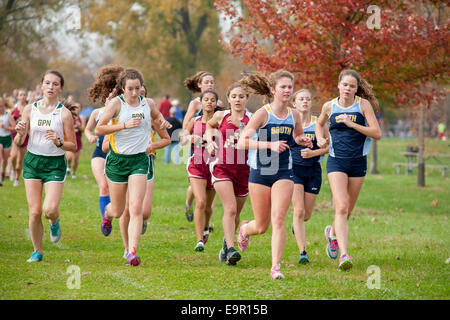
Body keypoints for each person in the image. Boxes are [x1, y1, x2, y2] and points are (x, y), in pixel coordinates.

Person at [236, 70, 312, 279]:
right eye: (283, 87)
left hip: (284, 172)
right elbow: (243, 142)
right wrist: (269, 144)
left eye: (290, 87)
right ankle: (244, 230)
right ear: (273, 90)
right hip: (260, 173)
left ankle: (275, 268)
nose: (287, 91)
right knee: (261, 226)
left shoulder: (294, 114)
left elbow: (296, 135)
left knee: (278, 219)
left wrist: (302, 140)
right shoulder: (263, 113)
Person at [92, 65, 170, 266]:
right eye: (130, 89)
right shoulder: (116, 105)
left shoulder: (148, 104)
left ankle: (132, 252)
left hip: (139, 161)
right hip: (117, 162)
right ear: (122, 88)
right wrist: (123, 125)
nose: (135, 93)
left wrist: (163, 124)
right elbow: (99, 129)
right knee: (118, 210)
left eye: (138, 88)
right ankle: (107, 215)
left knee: (135, 208)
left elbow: (160, 124)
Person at [315, 69, 381, 271]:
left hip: (358, 162)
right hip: (336, 162)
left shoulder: (363, 105)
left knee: (348, 210)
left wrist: (352, 124)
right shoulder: (329, 106)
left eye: (352, 86)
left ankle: (332, 233)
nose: (348, 89)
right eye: (345, 85)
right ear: (339, 85)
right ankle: (344, 254)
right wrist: (319, 138)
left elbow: (376, 133)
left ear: (356, 88)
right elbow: (319, 124)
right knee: (341, 207)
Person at [14, 70, 77, 262]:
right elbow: (18, 142)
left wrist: (58, 142)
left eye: (55, 84)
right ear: (41, 86)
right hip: (33, 161)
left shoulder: (64, 114)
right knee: (34, 211)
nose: (51, 87)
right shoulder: (29, 109)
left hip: (54, 163)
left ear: (61, 88)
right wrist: (20, 133)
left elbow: (72, 146)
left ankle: (54, 223)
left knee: (49, 209)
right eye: (47, 83)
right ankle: (37, 251)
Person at [206, 82, 252, 265]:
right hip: (222, 166)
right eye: (234, 96)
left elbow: (256, 138)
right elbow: (209, 125)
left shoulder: (253, 118)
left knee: (237, 214)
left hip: (244, 169)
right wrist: (210, 140)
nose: (237, 100)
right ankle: (232, 250)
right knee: (230, 208)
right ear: (228, 99)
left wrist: (241, 126)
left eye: (241, 96)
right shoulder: (221, 115)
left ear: (247, 99)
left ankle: (227, 243)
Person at [290, 89, 329, 264]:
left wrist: (313, 154)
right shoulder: (289, 123)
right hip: (294, 170)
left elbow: (329, 148)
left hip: (313, 170)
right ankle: (303, 252)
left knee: (306, 215)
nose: (305, 102)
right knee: (298, 211)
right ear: (294, 103)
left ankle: (296, 225)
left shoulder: (318, 124)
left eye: (307, 99)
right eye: (301, 99)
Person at [182, 71, 222, 224]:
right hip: (196, 149)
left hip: (213, 152)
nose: (210, 84)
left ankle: (208, 221)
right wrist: (192, 136)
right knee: (196, 185)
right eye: (206, 82)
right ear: (199, 85)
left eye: (212, 82)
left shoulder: (218, 104)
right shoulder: (195, 104)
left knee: (212, 186)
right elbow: (186, 125)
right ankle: (189, 203)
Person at [180, 90, 218, 252]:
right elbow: (182, 139)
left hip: (215, 167)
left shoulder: (220, 122)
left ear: (216, 104)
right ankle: (199, 240)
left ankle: (206, 227)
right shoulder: (194, 121)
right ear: (201, 103)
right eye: (206, 100)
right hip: (196, 165)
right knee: (201, 201)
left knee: (208, 207)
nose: (209, 102)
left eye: (212, 100)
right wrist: (189, 138)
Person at [84, 99, 111, 220]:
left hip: (117, 155)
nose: (110, 100)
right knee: (104, 186)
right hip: (99, 153)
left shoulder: (123, 112)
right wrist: (89, 136)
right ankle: (106, 219)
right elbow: (87, 129)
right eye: (109, 97)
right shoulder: (97, 112)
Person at [9, 88, 29, 186]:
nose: (23, 97)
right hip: (15, 137)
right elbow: (11, 124)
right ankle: (13, 170)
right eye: (21, 95)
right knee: (12, 157)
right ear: (17, 97)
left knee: (20, 160)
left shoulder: (29, 109)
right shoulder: (14, 110)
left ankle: (17, 178)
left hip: (25, 137)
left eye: (24, 95)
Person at [66, 102, 84, 178]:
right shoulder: (69, 117)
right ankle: (68, 166)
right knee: (69, 157)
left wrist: (78, 126)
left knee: (76, 160)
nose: (77, 109)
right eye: (76, 107)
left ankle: (73, 173)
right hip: (70, 140)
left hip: (78, 141)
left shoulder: (82, 118)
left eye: (79, 107)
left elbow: (83, 129)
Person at [0, 97, 14, 186]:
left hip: (7, 139)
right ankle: (0, 179)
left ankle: (3, 172)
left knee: (4, 160)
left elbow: (14, 128)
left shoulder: (8, 115)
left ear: (4, 106)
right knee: (0, 159)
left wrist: (5, 127)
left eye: (1, 106)